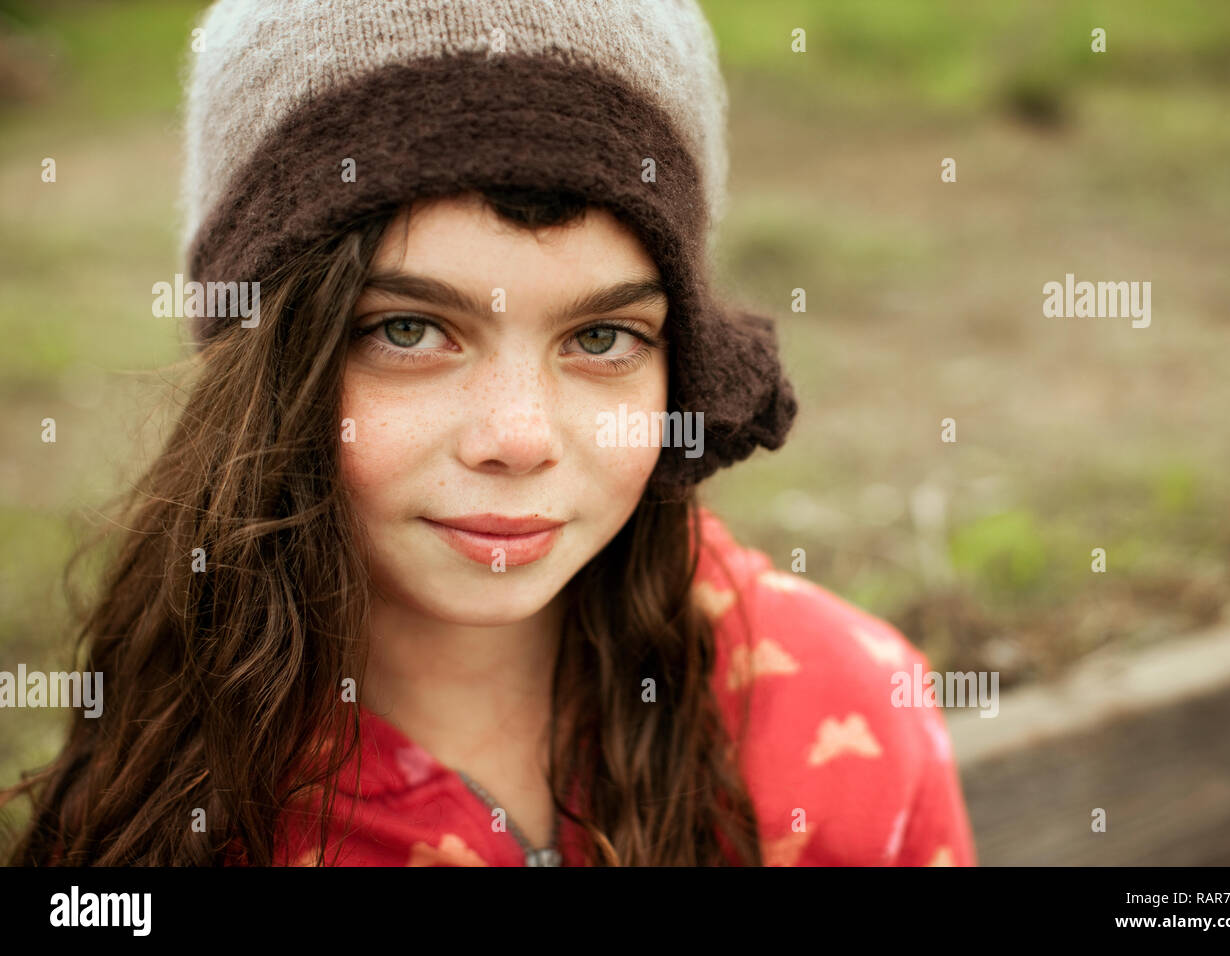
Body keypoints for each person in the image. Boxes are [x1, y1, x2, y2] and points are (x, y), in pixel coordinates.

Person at [1, 0, 976, 867]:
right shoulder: (179, 798)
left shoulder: (840, 710)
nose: (517, 439)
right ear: (266, 367)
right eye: (408, 329)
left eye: (602, 336)